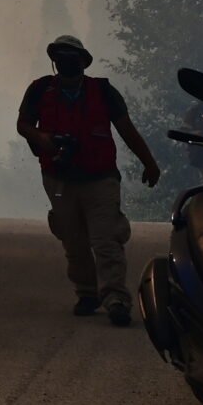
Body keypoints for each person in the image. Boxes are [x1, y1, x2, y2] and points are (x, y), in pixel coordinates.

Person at [16, 34, 160, 326]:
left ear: (83, 61)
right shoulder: (40, 90)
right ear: (54, 62)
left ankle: (116, 298)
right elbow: (23, 125)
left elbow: (126, 129)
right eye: (60, 56)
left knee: (106, 239)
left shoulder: (103, 91)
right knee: (74, 241)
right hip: (58, 178)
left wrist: (149, 162)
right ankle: (87, 293)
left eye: (71, 56)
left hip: (100, 177)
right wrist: (42, 137)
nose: (65, 61)